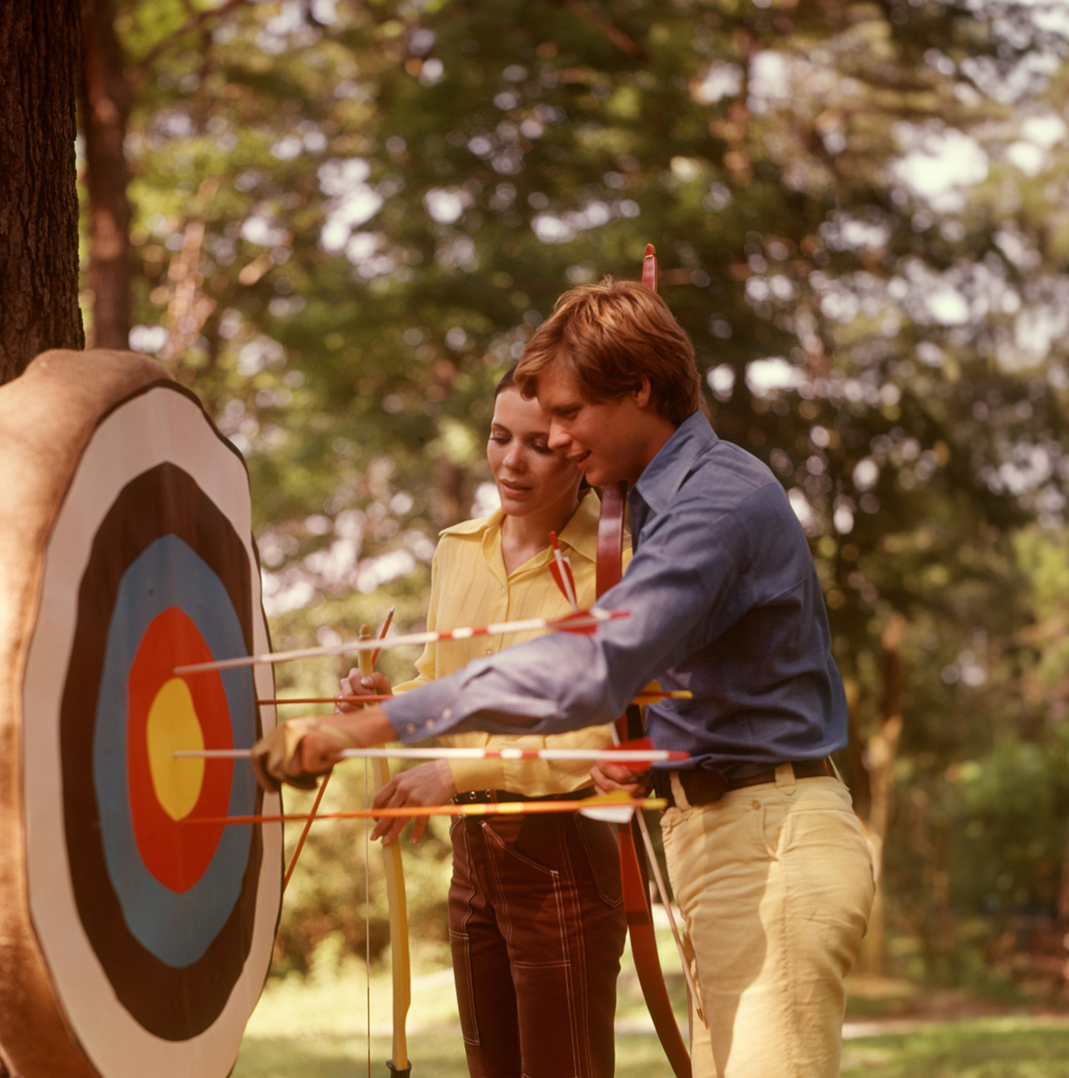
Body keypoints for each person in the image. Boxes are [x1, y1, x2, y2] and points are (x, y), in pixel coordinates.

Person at [253, 279, 876, 1078]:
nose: (553, 439)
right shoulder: (649, 499)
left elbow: (593, 666)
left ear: (640, 389)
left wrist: (366, 731)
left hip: (769, 836)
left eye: (569, 416)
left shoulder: (715, 504)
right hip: (718, 836)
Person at [340, 365, 626, 1078]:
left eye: (540, 445)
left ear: (579, 452)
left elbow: (594, 733)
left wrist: (452, 769)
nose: (512, 461)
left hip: (561, 848)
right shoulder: (457, 549)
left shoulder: (613, 564)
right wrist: (388, 702)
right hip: (474, 852)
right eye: (500, 437)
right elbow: (443, 684)